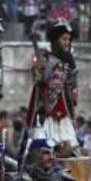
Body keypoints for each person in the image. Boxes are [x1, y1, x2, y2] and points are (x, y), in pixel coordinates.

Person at [27, 20, 79, 152]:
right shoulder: (46, 58)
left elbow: (73, 82)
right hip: (47, 106)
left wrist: (73, 92)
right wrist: (38, 71)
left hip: (65, 104)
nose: (67, 42)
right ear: (56, 40)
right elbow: (39, 81)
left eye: (69, 39)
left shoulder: (70, 60)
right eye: (64, 39)